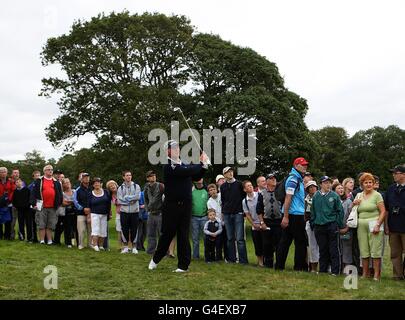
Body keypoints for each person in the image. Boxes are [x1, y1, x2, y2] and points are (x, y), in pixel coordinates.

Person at [148, 140, 209, 272]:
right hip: (171, 206)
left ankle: (183, 265)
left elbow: (196, 176)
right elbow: (186, 171)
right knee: (167, 234)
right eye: (173, 148)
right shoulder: (169, 166)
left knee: (183, 235)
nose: (176, 150)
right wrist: (200, 162)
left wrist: (203, 166)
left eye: (177, 147)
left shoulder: (184, 165)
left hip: (186, 205)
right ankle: (156, 259)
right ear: (167, 151)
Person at [276, 157, 308, 271]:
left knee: (285, 241)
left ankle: (279, 266)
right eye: (302, 165)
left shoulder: (297, 178)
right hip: (294, 215)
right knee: (300, 242)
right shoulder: (293, 179)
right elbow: (288, 198)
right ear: (296, 166)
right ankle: (299, 267)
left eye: (305, 165)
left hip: (293, 214)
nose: (305, 166)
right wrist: (285, 217)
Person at [353, 173, 386, 280]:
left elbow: (383, 211)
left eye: (370, 182)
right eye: (366, 182)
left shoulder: (377, 195)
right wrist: (354, 204)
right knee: (364, 250)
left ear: (373, 183)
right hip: (361, 225)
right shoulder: (358, 195)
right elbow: (353, 211)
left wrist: (378, 224)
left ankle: (376, 275)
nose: (368, 184)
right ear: (362, 184)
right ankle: (365, 274)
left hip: (374, 224)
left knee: (375, 250)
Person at [310, 176, 345, 275]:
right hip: (319, 225)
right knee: (322, 249)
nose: (328, 184)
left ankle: (335, 271)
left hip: (331, 225)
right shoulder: (316, 196)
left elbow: (340, 211)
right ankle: (322, 270)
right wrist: (314, 222)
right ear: (320, 184)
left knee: (334, 249)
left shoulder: (334, 196)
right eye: (325, 183)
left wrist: (337, 223)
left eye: (329, 182)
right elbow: (313, 211)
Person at [220, 166, 248, 264]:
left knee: (240, 238)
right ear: (224, 175)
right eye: (228, 172)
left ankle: (243, 260)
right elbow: (223, 201)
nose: (230, 173)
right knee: (230, 238)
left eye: (231, 171)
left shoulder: (239, 184)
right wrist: (224, 212)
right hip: (227, 214)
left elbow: (244, 198)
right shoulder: (222, 187)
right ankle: (232, 259)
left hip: (238, 213)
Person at [256, 174, 283, 268]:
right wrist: (262, 222)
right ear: (267, 181)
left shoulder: (280, 192)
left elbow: (284, 206)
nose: (274, 180)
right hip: (267, 222)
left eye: (274, 178)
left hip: (278, 221)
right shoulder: (262, 194)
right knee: (267, 244)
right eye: (271, 179)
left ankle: (279, 263)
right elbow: (259, 210)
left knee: (279, 244)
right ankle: (268, 263)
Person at [32, 164, 63, 245]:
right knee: (41, 224)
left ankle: (49, 241)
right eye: (48, 169)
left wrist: (59, 203)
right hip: (41, 206)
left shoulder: (56, 182)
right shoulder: (39, 180)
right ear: (44, 171)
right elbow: (33, 194)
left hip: (53, 207)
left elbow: (60, 194)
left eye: (51, 169)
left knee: (51, 224)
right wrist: (34, 204)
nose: (50, 171)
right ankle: (42, 240)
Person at [384, 164, 405, 280]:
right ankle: (397, 275)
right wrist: (386, 225)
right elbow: (386, 209)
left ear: (403, 175)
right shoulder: (391, 188)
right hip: (393, 226)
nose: (393, 175)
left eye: (395, 173)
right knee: (395, 253)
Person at [117, 170, 141, 254]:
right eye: (127, 175)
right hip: (124, 212)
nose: (129, 177)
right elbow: (120, 200)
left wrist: (127, 197)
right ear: (123, 177)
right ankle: (126, 247)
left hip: (135, 212)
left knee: (134, 229)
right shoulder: (120, 188)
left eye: (130, 175)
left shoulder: (136, 186)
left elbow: (137, 196)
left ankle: (134, 247)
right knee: (125, 229)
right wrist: (130, 200)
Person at [333, 183, 353, 271]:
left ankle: (347, 269)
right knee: (336, 248)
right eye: (338, 188)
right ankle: (338, 268)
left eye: (342, 188)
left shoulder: (348, 201)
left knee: (346, 249)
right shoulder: (331, 200)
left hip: (346, 229)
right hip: (334, 229)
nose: (341, 190)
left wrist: (347, 228)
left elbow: (352, 216)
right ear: (334, 190)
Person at [143, 170, 164, 255]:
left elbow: (166, 198)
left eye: (154, 175)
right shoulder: (146, 187)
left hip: (160, 213)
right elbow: (145, 199)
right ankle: (150, 251)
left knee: (162, 234)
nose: (153, 177)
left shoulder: (161, 186)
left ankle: (163, 251)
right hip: (151, 213)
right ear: (147, 178)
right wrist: (147, 209)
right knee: (151, 234)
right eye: (151, 176)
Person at [88, 178, 111, 251]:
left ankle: (101, 245)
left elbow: (109, 203)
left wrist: (109, 213)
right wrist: (88, 216)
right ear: (93, 185)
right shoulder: (90, 193)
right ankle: (95, 245)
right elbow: (88, 206)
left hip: (104, 214)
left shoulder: (106, 192)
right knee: (95, 230)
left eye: (98, 183)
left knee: (103, 231)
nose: (97, 184)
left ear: (101, 184)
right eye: (95, 183)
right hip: (94, 214)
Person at [242, 180, 262, 266]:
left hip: (263, 223)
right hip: (254, 224)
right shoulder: (244, 201)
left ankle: (267, 260)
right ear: (244, 189)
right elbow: (247, 214)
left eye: (251, 185)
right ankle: (260, 262)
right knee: (257, 244)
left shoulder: (259, 195)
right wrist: (253, 224)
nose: (250, 187)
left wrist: (262, 222)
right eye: (248, 186)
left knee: (265, 243)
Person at [191, 178, 208, 259]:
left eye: (200, 178)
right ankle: (195, 256)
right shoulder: (192, 191)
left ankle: (207, 255)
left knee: (206, 237)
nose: (199, 180)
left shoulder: (206, 191)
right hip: (194, 217)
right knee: (195, 238)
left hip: (204, 217)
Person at [304, 180, 319, 272]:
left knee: (321, 246)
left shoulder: (321, 198)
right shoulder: (305, 200)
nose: (312, 188)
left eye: (314, 186)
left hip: (320, 223)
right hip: (309, 223)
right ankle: (313, 267)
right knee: (312, 245)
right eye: (310, 187)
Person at [74, 172, 92, 249]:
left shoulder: (92, 188)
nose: (86, 179)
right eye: (84, 177)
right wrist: (83, 208)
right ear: (81, 179)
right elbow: (75, 201)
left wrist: (90, 209)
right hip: (81, 212)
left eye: (87, 177)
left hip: (91, 212)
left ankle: (90, 244)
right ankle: (81, 244)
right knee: (81, 230)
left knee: (90, 230)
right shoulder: (77, 190)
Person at [207, 183, 224, 260]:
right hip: (218, 223)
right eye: (210, 190)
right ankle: (218, 257)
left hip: (226, 220)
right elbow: (211, 214)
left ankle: (228, 256)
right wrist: (219, 222)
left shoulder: (222, 196)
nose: (213, 191)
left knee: (227, 240)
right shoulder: (209, 202)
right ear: (209, 193)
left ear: (216, 189)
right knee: (218, 241)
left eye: (214, 189)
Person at [12, 178, 32, 242]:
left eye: (19, 182)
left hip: (27, 210)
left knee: (28, 224)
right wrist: (17, 206)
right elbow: (14, 201)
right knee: (21, 224)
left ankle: (29, 238)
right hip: (20, 210)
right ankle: (22, 237)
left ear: (22, 182)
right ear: (15, 184)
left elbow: (30, 199)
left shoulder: (27, 190)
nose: (18, 183)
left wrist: (28, 205)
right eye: (16, 182)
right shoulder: (15, 191)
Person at [106, 180, 122, 251]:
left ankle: (128, 246)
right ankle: (120, 246)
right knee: (119, 230)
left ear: (116, 185)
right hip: (118, 214)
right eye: (110, 186)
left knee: (127, 230)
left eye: (113, 185)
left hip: (126, 213)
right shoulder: (111, 196)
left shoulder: (122, 191)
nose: (112, 186)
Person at [0, 167, 15, 240]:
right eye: (1, 172)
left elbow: (13, 190)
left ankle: (7, 236)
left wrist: (9, 198)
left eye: (4, 171)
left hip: (8, 203)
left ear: (7, 173)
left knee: (8, 220)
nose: (3, 173)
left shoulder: (10, 181)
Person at [11, 169, 25, 240]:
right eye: (15, 173)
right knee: (12, 221)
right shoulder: (10, 182)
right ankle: (12, 236)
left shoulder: (22, 183)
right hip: (12, 205)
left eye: (17, 173)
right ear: (12, 174)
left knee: (21, 222)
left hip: (21, 206)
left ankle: (21, 236)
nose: (16, 174)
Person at [28, 171, 41, 243]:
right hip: (33, 206)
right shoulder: (30, 186)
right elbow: (29, 197)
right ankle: (34, 238)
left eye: (39, 175)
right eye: (36, 175)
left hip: (41, 206)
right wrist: (32, 205)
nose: (38, 177)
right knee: (33, 223)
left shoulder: (42, 184)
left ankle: (44, 238)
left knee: (42, 223)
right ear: (33, 177)